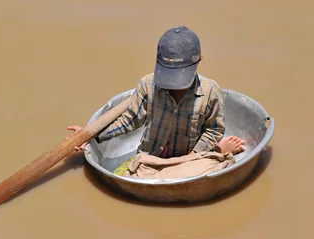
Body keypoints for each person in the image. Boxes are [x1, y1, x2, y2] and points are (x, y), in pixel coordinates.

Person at [67, 26, 245, 160]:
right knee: (136, 173)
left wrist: (193, 155)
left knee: (213, 163)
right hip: (149, 158)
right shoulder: (147, 85)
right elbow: (129, 119)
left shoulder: (210, 92)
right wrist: (91, 135)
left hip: (187, 161)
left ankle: (221, 150)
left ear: (199, 61)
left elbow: (213, 130)